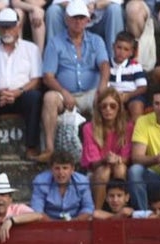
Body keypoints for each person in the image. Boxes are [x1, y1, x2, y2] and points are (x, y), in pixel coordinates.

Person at [39, 0, 109, 162]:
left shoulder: (96, 40)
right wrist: (64, 92)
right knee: (49, 98)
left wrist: (102, 87)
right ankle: (49, 148)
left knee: (108, 98)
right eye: (74, 18)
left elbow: (104, 66)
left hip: (91, 91)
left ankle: (105, 148)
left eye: (81, 18)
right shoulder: (55, 42)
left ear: (87, 20)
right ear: (67, 19)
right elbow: (48, 76)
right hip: (66, 93)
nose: (78, 22)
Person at [0, 9, 42, 162]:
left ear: (18, 27)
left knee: (35, 97)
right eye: (3, 27)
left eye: (10, 26)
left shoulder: (31, 49)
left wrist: (18, 92)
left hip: (21, 95)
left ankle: (31, 146)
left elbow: (36, 79)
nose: (6, 31)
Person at [80, 87, 132, 209]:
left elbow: (127, 157)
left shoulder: (128, 127)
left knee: (120, 168)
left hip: (119, 166)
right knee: (104, 171)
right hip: (96, 172)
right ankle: (97, 211)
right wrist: (106, 160)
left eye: (112, 106)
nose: (108, 109)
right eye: (104, 106)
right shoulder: (89, 128)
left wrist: (117, 159)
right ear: (99, 108)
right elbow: (93, 163)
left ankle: (119, 209)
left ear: (119, 108)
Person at [31, 148, 95, 219]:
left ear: (72, 169)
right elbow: (37, 210)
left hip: (76, 222)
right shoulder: (40, 181)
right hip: (48, 223)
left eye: (65, 168)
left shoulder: (82, 181)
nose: (61, 173)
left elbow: (88, 208)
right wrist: (55, 226)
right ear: (51, 169)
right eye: (57, 168)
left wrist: (75, 222)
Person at [46, 0, 123, 57]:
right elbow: (58, 1)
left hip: (100, 22)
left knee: (115, 9)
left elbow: (118, 1)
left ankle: (115, 60)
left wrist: (95, 5)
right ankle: (54, 59)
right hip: (73, 19)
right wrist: (77, 8)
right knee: (53, 11)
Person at [107, 30, 147, 119]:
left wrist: (128, 95)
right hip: (112, 95)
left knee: (137, 106)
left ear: (131, 52)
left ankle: (137, 131)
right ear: (113, 47)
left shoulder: (135, 66)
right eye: (119, 47)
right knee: (108, 104)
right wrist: (114, 95)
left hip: (132, 95)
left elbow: (142, 87)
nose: (121, 52)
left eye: (126, 49)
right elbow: (105, 84)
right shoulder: (107, 65)